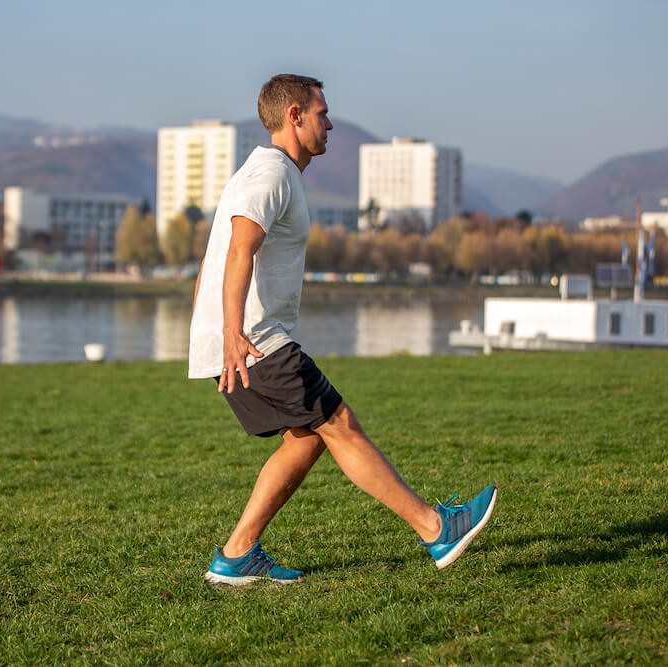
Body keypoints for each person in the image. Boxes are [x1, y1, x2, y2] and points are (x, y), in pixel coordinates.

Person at [188, 74, 496, 585]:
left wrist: (215, 336)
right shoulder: (271, 175)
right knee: (340, 424)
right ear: (294, 116)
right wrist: (232, 333)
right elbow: (238, 251)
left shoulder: (271, 173)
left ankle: (237, 555)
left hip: (242, 340)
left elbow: (210, 262)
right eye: (321, 113)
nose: (329, 123)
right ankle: (437, 528)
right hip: (255, 340)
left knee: (306, 439)